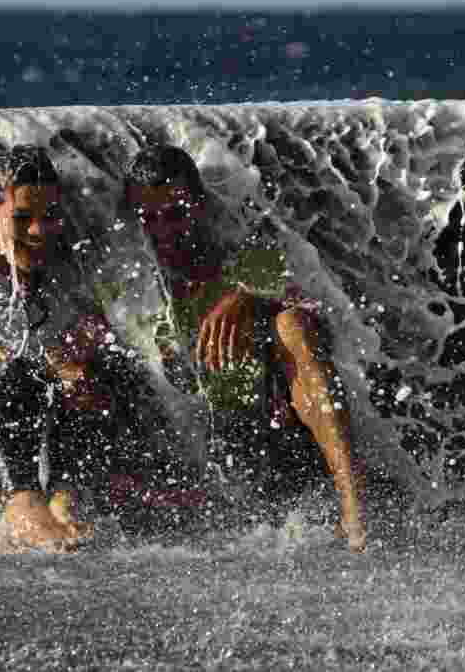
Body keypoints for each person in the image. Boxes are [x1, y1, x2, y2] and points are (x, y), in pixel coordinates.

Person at [0, 144, 183, 553]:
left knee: (93, 374)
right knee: (11, 370)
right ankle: (22, 507)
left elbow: (108, 344)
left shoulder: (66, 265)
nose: (39, 231)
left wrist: (78, 359)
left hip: (48, 428)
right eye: (21, 218)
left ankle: (64, 503)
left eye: (49, 216)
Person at [116, 145, 367, 553]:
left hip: (274, 439)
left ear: (199, 206)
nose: (164, 231)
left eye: (176, 214)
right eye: (150, 219)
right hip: (194, 451)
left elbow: (309, 313)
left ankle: (354, 506)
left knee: (293, 324)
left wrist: (246, 298)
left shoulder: (242, 255)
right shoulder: (130, 280)